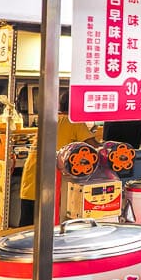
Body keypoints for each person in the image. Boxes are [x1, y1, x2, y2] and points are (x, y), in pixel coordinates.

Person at [19, 89, 98, 227]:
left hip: (32, 176)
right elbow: (94, 147)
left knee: (27, 225)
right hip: (49, 179)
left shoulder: (50, 119)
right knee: (47, 226)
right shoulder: (74, 122)